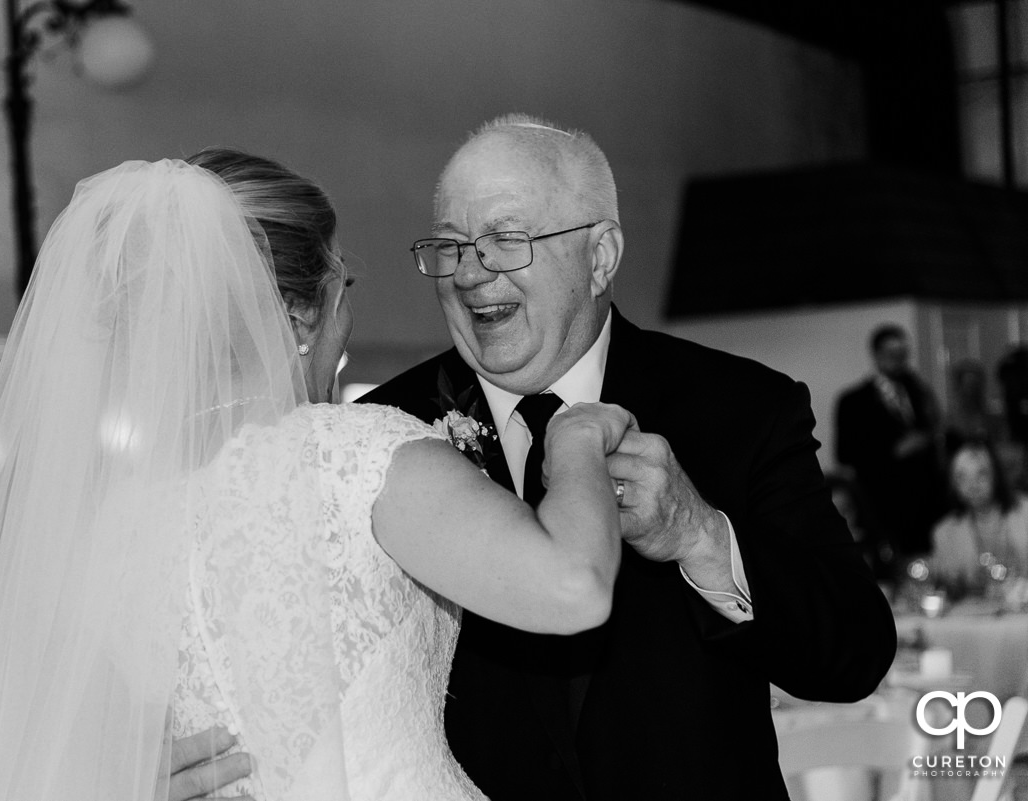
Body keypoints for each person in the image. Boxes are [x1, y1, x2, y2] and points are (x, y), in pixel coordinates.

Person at [0, 153, 633, 801]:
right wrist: (574, 435)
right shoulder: (356, 456)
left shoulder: (117, 525)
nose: (348, 307)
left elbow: (57, 746)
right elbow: (573, 585)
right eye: (341, 283)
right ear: (301, 318)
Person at [361, 114, 896, 799]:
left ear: (601, 255)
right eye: (449, 245)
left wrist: (703, 534)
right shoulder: (383, 433)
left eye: (504, 239)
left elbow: (853, 655)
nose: (468, 273)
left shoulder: (742, 408)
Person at [837, 323, 945, 558]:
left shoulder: (917, 390)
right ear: (876, 354)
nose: (898, 359)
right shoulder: (854, 401)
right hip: (883, 502)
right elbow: (844, 453)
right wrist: (893, 452)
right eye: (891, 353)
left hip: (925, 501)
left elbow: (933, 427)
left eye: (902, 353)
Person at [929, 439, 1028, 596]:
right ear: (953, 485)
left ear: (996, 474)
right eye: (962, 477)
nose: (972, 485)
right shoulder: (945, 532)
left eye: (981, 473)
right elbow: (945, 586)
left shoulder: (1024, 513)